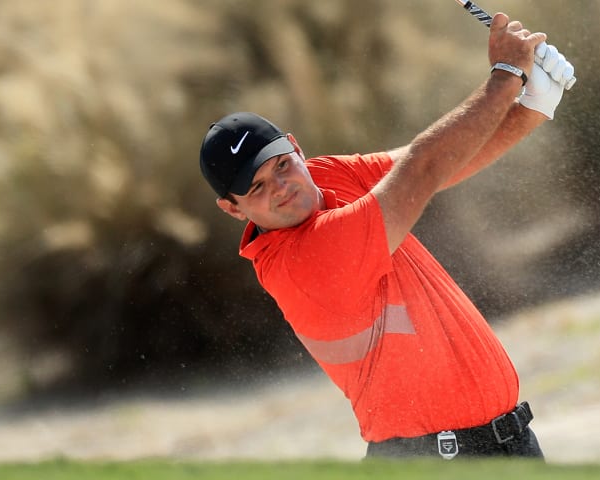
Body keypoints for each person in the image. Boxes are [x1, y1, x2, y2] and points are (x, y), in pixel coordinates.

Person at [198, 13, 574, 460]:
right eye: (256, 187)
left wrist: (531, 107)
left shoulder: (329, 175)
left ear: (296, 147)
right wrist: (506, 76)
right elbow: (423, 167)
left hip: (505, 447)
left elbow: (444, 164)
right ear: (232, 208)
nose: (282, 185)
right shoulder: (301, 261)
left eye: (282, 163)